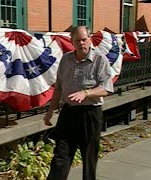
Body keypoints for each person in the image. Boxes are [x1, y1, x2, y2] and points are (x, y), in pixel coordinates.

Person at [43, 25, 114, 180]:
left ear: (89, 39)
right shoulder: (66, 59)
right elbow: (58, 89)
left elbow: (107, 88)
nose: (81, 43)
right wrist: (49, 112)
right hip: (68, 113)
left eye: (84, 39)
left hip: (90, 114)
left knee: (89, 157)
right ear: (72, 42)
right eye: (78, 40)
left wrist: (86, 93)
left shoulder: (99, 60)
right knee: (61, 155)